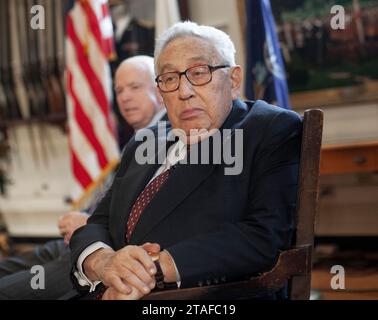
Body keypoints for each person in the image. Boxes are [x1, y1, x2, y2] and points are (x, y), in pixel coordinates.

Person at [69, 21, 302, 300]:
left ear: (234, 80)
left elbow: (264, 236)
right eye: (169, 78)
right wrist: (104, 263)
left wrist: (151, 271)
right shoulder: (145, 142)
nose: (184, 91)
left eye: (200, 72)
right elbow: (98, 222)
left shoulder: (267, 129)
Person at [0, 55, 167, 299]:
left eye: (135, 87)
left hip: (104, 255)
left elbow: (145, 216)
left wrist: (89, 223)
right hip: (76, 244)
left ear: (160, 90)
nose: (125, 97)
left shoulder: (169, 139)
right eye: (119, 90)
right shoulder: (136, 138)